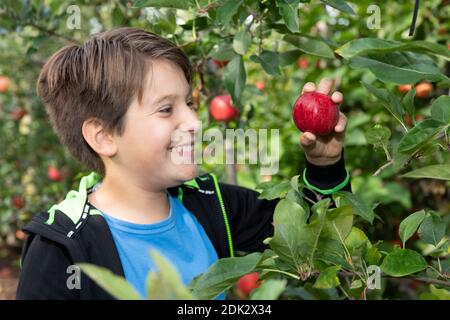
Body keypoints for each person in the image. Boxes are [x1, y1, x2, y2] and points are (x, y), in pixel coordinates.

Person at [16, 27, 351, 299]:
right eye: (166, 109)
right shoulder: (61, 248)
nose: (194, 121)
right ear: (103, 136)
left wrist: (325, 165)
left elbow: (317, 241)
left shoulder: (212, 205)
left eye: (189, 102)